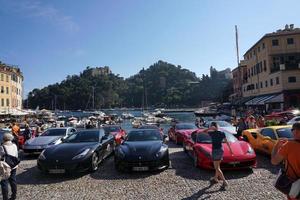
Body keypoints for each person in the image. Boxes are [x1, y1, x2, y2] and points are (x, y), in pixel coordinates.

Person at [271, 122, 300, 200]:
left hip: (295, 187)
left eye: (292, 130)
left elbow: (274, 161)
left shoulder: (289, 145)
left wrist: (276, 146)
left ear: (296, 131)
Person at [204, 122, 233, 189]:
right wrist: (230, 150)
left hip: (215, 151)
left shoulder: (212, 133)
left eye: (211, 126)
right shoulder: (222, 133)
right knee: (218, 165)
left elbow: (203, 131)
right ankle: (215, 178)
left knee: (217, 168)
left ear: (212, 127)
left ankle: (225, 182)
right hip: (221, 150)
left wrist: (209, 128)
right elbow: (227, 142)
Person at [0, 133, 18, 200]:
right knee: (13, 181)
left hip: (5, 167)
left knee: (4, 182)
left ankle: (5, 198)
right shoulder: (14, 145)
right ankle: (14, 196)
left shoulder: (2, 147)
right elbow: (16, 155)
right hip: (14, 166)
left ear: (4, 139)